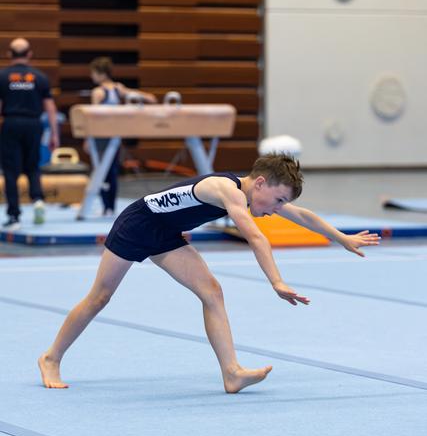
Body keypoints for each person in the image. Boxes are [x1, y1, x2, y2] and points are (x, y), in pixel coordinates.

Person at [38, 153, 380, 392]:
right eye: (276, 201)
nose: (277, 210)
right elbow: (255, 236)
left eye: (280, 204)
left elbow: (303, 216)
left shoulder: (252, 193)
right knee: (100, 297)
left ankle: (232, 373)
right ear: (259, 183)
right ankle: (51, 357)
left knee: (212, 291)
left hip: (166, 235)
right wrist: (275, 281)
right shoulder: (227, 190)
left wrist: (342, 238)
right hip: (137, 224)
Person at [0, 38, 59, 230]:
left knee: (11, 171)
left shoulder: (3, 76)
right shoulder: (39, 77)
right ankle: (38, 199)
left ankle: (14, 216)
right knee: (33, 165)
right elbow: (50, 108)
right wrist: (54, 135)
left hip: (11, 123)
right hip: (34, 124)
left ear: (9, 54)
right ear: (29, 54)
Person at [89, 57, 157, 216]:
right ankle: (110, 207)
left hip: (100, 136)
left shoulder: (98, 92)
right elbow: (141, 95)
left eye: (93, 73)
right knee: (111, 170)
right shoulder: (118, 88)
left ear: (100, 73)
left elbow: (91, 119)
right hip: (114, 135)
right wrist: (148, 97)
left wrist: (88, 138)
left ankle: (106, 207)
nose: (91, 77)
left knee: (101, 171)